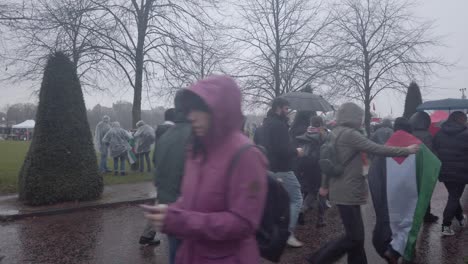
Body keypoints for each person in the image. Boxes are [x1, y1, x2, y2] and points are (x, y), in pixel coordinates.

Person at [143, 75, 268, 264]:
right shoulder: (197, 148)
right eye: (190, 109)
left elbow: (244, 223)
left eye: (200, 109)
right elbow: (192, 199)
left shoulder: (246, 154)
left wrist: (181, 222)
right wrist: (171, 210)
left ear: (221, 111)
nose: (191, 116)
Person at [307, 103, 419, 264]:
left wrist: (324, 185)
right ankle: (318, 259)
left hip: (340, 189)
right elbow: (377, 149)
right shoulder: (351, 135)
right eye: (359, 117)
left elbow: (327, 161)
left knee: (356, 237)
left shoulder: (335, 132)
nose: (361, 120)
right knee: (354, 237)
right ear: (353, 117)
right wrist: (406, 150)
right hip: (348, 190)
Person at [139, 91, 192, 257]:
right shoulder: (196, 134)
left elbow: (156, 163)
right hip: (187, 206)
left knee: (175, 251)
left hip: (167, 202)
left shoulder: (165, 136)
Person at [263, 98, 305, 247]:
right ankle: (288, 234)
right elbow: (281, 150)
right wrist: (296, 151)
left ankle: (271, 232)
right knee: (297, 198)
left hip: (269, 167)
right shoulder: (279, 125)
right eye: (286, 109)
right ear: (278, 108)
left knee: (278, 201)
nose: (288, 112)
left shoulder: (266, 123)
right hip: (282, 169)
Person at [433, 111, 468, 236]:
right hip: (462, 172)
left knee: (454, 196)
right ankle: (446, 226)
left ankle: (460, 218)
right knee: (454, 197)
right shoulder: (466, 133)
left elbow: (434, 150)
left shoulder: (439, 133)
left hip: (445, 170)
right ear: (461, 120)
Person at [409, 111, 439, 223]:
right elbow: (432, 153)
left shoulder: (410, 134)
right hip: (425, 167)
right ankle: (426, 215)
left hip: (411, 167)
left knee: (413, 192)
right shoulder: (428, 135)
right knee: (425, 192)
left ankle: (413, 214)